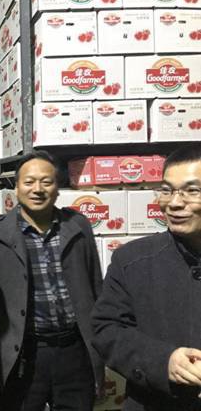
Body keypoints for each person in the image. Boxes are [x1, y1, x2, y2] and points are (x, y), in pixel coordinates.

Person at [0, 150, 104, 411]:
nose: (38, 189)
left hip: (74, 351)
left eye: (46, 182)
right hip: (23, 354)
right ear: (16, 187)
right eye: (29, 182)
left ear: (57, 187)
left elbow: (95, 284)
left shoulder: (78, 226)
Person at [92, 144, 201, 411]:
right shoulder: (132, 260)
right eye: (167, 190)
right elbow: (106, 330)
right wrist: (163, 361)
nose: (174, 203)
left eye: (192, 191)